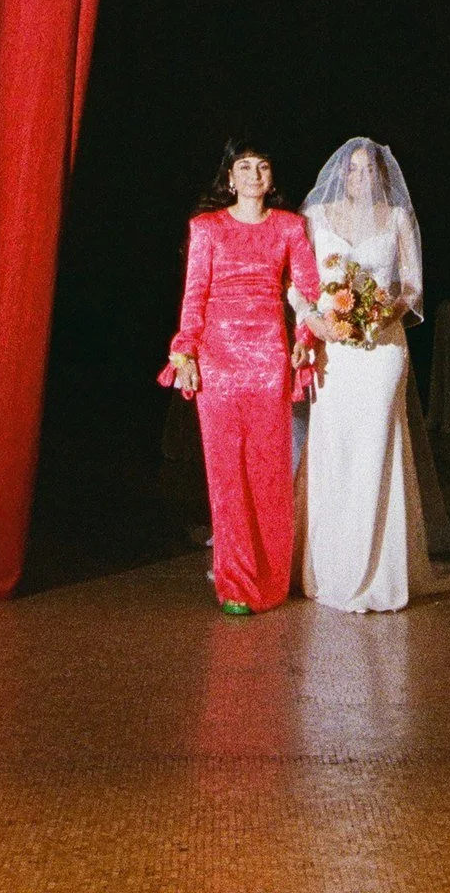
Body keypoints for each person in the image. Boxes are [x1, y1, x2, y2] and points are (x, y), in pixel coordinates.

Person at [291, 137, 450, 612]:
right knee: (335, 449)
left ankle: (376, 571)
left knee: (375, 447)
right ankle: (329, 566)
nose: (360, 178)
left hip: (382, 349)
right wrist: (312, 319)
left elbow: (412, 288)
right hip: (333, 348)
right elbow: (296, 282)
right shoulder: (316, 216)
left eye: (369, 170)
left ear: (381, 176)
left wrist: (380, 312)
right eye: (352, 170)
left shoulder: (396, 219)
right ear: (341, 175)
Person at [159, 140, 320, 615]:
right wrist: (185, 351)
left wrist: (305, 338)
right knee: (227, 475)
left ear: (271, 177)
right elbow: (194, 295)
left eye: (262, 166)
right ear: (230, 178)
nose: (253, 175)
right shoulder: (206, 228)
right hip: (219, 361)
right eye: (244, 167)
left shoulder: (290, 226)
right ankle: (235, 582)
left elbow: (308, 290)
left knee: (270, 471)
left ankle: (270, 578)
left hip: (268, 357)